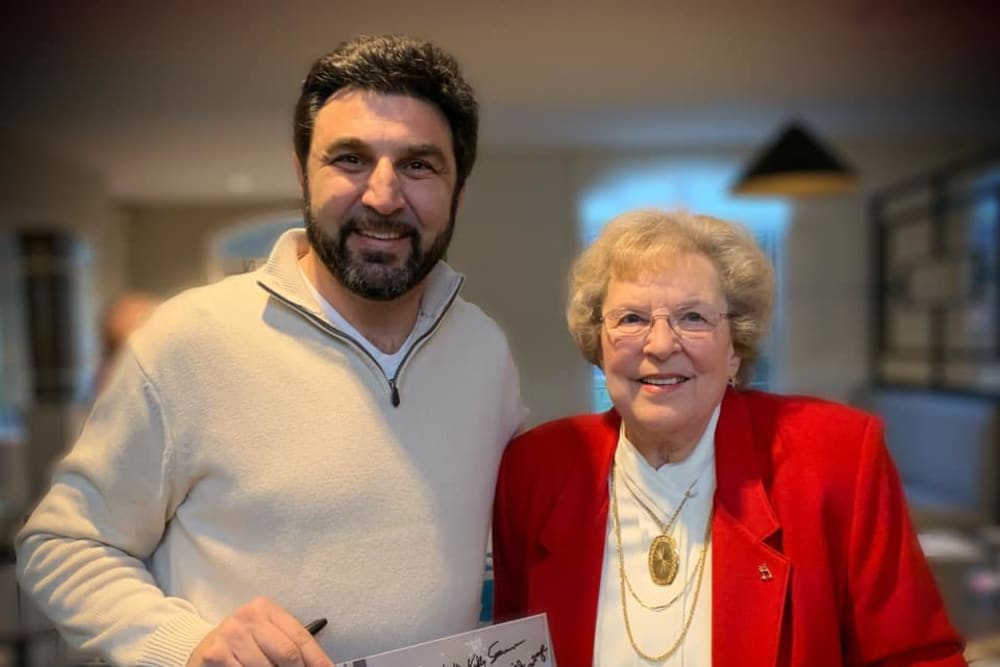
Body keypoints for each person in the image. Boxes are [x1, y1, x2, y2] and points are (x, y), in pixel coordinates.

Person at [17, 34, 522, 667]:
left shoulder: (485, 352)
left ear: (458, 191)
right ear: (302, 173)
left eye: (419, 164)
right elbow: (62, 542)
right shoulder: (190, 340)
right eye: (350, 160)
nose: (383, 196)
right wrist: (186, 644)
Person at [492, 209, 965, 666]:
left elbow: (916, 658)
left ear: (735, 348)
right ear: (598, 345)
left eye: (693, 317)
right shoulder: (535, 469)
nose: (660, 345)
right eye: (632, 319)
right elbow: (511, 651)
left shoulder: (836, 457)